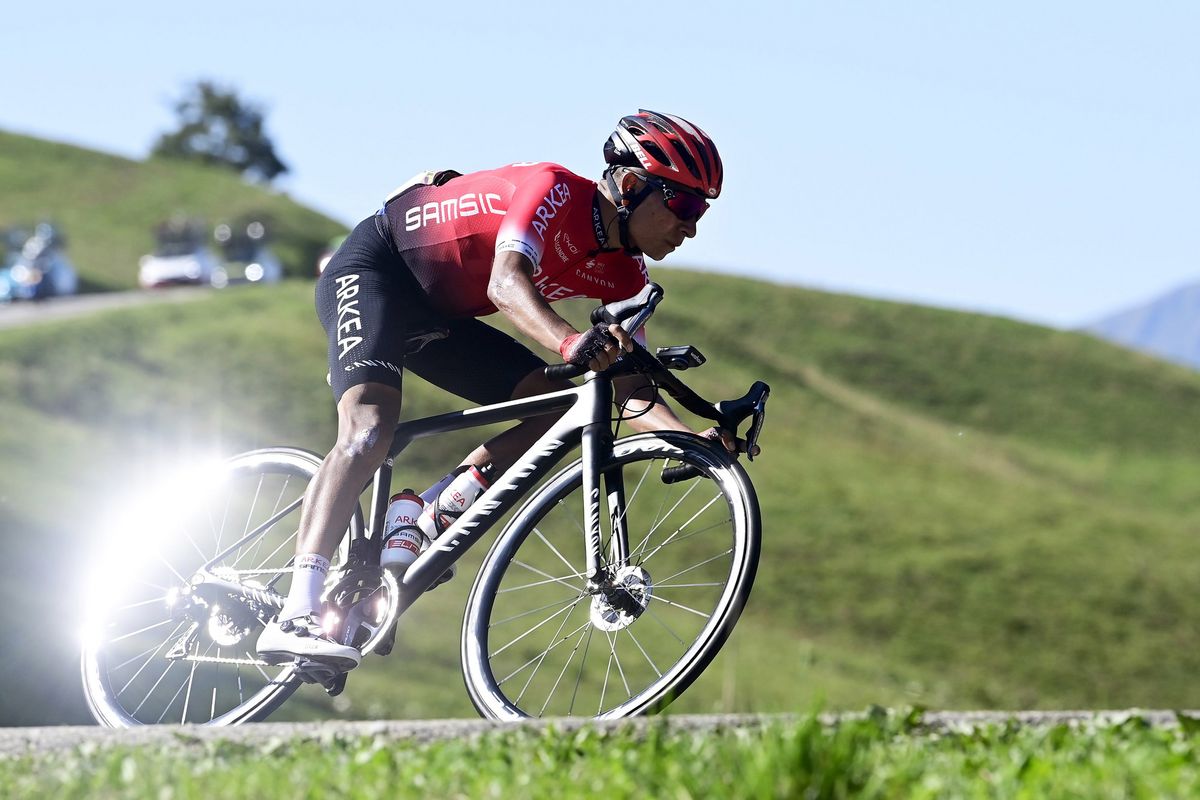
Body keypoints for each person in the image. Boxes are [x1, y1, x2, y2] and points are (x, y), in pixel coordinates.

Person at [257, 109, 746, 670]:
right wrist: (569, 344)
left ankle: (424, 517)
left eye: (701, 211)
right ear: (632, 185)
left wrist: (692, 442)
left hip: (441, 316)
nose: (692, 226)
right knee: (368, 430)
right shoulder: (554, 190)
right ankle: (294, 611)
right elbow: (504, 282)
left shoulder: (625, 276)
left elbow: (632, 389)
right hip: (376, 273)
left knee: (557, 409)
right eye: (684, 205)